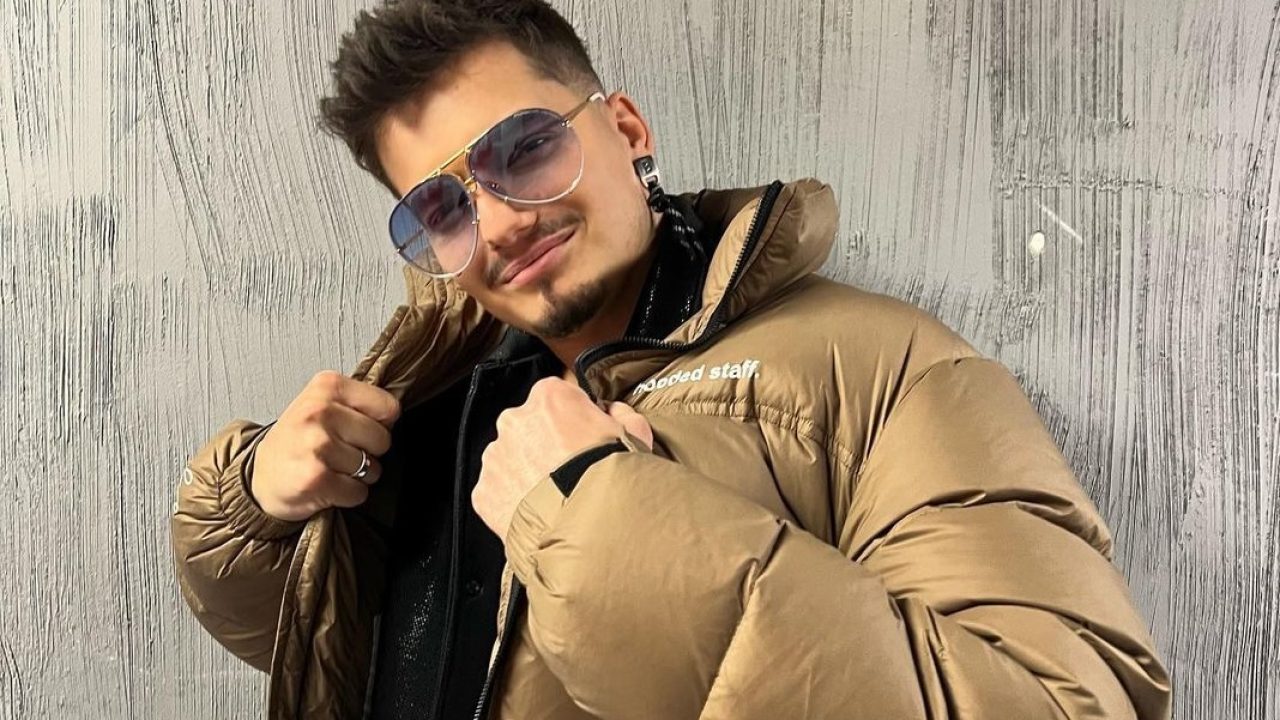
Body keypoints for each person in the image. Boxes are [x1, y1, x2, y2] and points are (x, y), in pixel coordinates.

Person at [170, 1, 1172, 718]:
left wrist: (603, 526)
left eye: (523, 149)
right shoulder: (431, 399)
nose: (498, 223)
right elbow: (323, 641)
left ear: (625, 128)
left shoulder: (880, 367)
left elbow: (1063, 700)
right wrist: (254, 506)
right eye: (440, 206)